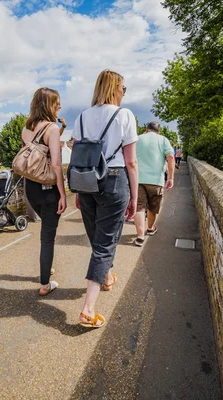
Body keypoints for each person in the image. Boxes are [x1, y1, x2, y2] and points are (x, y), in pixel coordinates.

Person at [73, 69, 139, 328]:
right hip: (114, 180)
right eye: (123, 87)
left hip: (86, 182)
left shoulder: (81, 117)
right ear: (114, 88)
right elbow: (131, 162)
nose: (124, 92)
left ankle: (107, 276)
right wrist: (134, 196)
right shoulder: (125, 116)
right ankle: (88, 309)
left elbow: (80, 156)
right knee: (105, 243)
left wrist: (78, 192)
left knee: (97, 239)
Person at [21, 87, 67, 296]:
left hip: (31, 188)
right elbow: (56, 164)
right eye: (57, 103)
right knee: (47, 237)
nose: (60, 106)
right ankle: (45, 284)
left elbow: (36, 154)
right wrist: (63, 194)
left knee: (45, 233)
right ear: (49, 105)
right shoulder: (52, 129)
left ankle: (46, 269)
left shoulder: (27, 128)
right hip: (49, 189)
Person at [133, 122, 175, 247]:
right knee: (153, 207)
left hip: (138, 179)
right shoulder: (163, 140)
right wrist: (171, 178)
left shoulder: (137, 139)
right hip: (156, 180)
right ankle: (150, 228)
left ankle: (140, 236)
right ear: (159, 131)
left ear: (146, 129)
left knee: (139, 207)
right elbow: (171, 157)